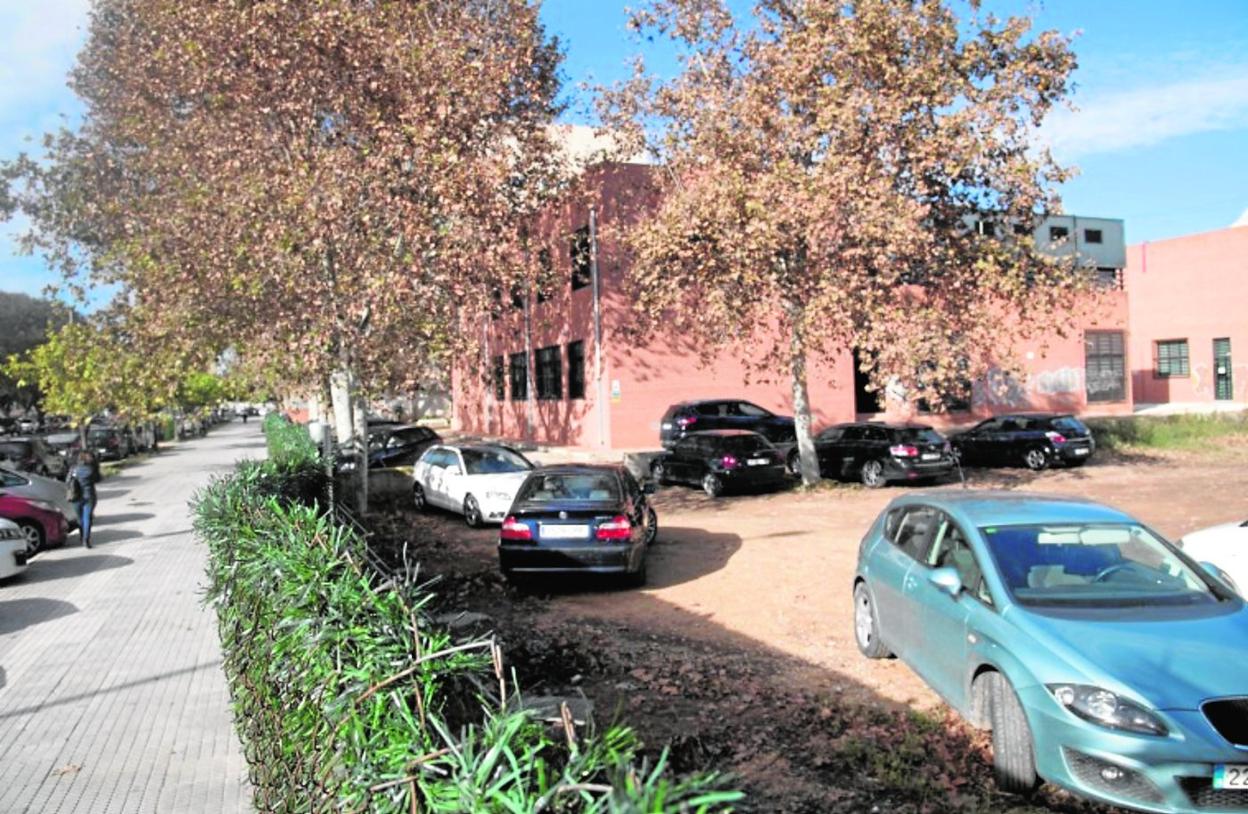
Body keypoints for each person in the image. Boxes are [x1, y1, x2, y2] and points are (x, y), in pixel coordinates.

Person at [67, 450, 100, 549]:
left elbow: (67, 481)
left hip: (76, 496)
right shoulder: (91, 469)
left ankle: (82, 536)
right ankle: (86, 539)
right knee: (87, 518)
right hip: (89, 495)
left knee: (79, 518)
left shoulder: (74, 469)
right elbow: (98, 479)